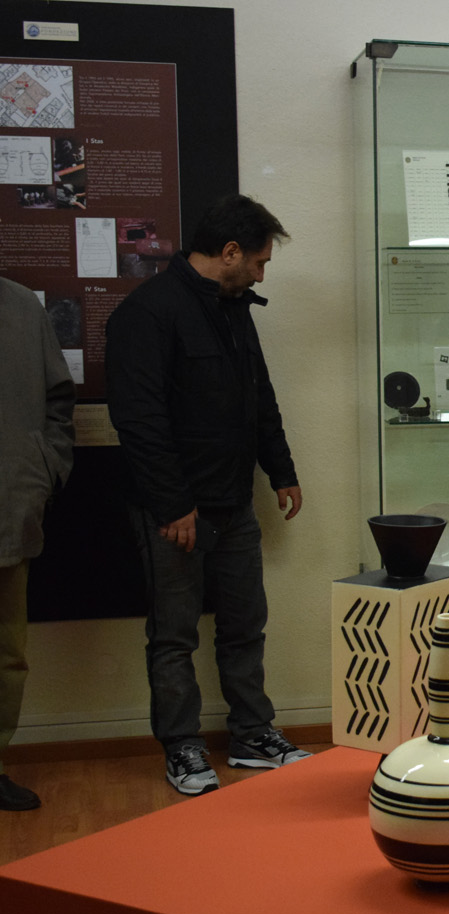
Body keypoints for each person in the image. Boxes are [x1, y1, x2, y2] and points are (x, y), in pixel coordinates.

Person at [106, 194, 312, 797]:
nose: (262, 273)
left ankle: (253, 736)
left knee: (246, 624)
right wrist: (173, 506)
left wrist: (282, 471)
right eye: (260, 262)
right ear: (230, 253)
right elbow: (139, 421)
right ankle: (183, 748)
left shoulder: (234, 308)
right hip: (173, 511)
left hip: (233, 502)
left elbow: (259, 397)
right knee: (174, 635)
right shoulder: (146, 313)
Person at [0, 277, 75, 810]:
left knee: (7, 655)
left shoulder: (21, 305)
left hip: (9, 509)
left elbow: (57, 400)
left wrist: (45, 468)